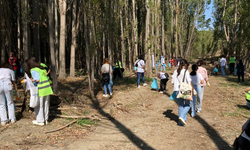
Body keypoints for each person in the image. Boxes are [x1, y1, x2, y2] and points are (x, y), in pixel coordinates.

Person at [22, 58, 53, 126]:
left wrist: (28, 80)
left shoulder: (33, 70)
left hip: (40, 89)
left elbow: (37, 80)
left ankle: (40, 121)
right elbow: (47, 72)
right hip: (47, 89)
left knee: (39, 105)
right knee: (46, 104)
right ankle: (46, 119)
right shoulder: (42, 68)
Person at [171, 59, 192, 126]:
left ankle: (181, 122)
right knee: (188, 105)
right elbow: (189, 82)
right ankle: (182, 116)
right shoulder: (186, 72)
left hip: (177, 90)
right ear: (185, 64)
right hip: (184, 90)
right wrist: (193, 90)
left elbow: (172, 82)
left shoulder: (175, 71)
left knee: (181, 106)